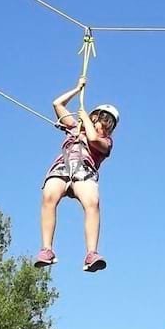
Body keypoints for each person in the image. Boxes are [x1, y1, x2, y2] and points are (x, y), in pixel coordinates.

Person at [34, 77, 119, 272]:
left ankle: (92, 253)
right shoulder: (74, 128)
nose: (101, 125)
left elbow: (92, 137)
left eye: (105, 124)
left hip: (84, 171)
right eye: (99, 120)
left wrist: (85, 121)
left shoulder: (106, 143)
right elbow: (58, 104)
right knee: (48, 197)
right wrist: (77, 88)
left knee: (93, 203)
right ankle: (46, 249)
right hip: (62, 167)